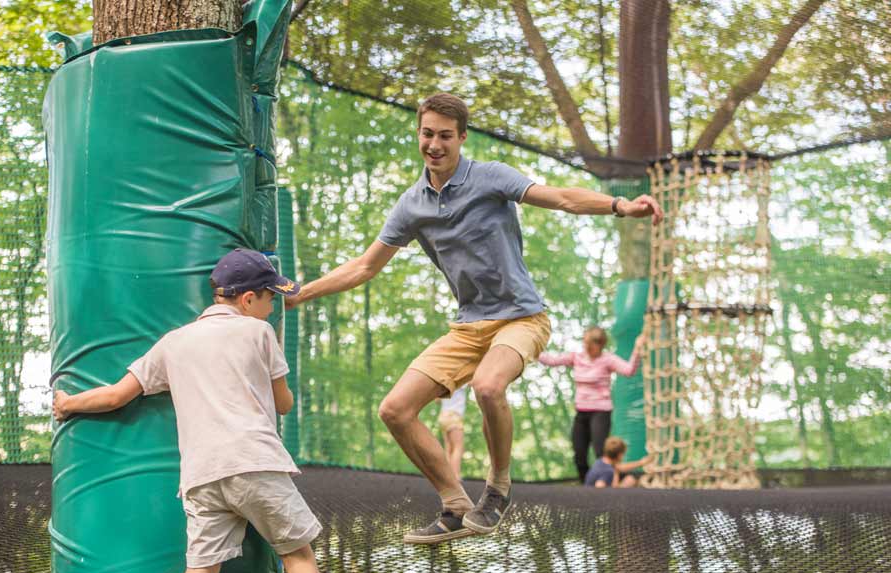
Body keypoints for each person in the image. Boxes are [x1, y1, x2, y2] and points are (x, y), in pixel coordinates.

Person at [284, 92, 663, 544]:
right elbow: (365, 266)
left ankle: (498, 488)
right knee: (395, 410)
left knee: (487, 385)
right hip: (469, 326)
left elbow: (560, 197)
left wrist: (621, 207)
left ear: (461, 138)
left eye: (446, 135)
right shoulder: (412, 205)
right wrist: (302, 294)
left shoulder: (490, 178)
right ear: (419, 135)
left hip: (522, 318)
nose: (435, 144)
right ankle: (454, 504)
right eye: (428, 134)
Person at [52, 249, 334, 573]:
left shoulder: (174, 343)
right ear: (247, 299)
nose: (273, 306)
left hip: (202, 478)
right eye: (271, 297)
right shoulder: (259, 334)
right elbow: (285, 403)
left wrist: (68, 403)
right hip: (254, 463)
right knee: (298, 557)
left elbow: (116, 396)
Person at [538, 327, 646, 483]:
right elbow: (552, 361)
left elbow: (629, 370)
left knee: (601, 453)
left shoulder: (608, 359)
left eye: (591, 346)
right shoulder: (577, 357)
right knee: (579, 454)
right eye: (585, 345)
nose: (587, 349)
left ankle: (610, 485)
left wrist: (637, 348)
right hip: (581, 412)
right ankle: (587, 486)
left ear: (600, 345)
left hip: (600, 412)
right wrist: (531, 349)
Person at [584, 436, 651, 488]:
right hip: (596, 495)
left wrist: (641, 462)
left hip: (588, 488)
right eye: (623, 454)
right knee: (629, 481)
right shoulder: (609, 471)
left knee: (630, 479)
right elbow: (599, 485)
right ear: (620, 455)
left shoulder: (600, 461)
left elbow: (620, 467)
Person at [437, 384, 469, 478]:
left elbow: (437, 400)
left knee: (448, 448)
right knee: (458, 447)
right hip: (454, 415)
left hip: (443, 415)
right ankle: (455, 476)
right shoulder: (461, 380)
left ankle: (446, 476)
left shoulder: (445, 383)